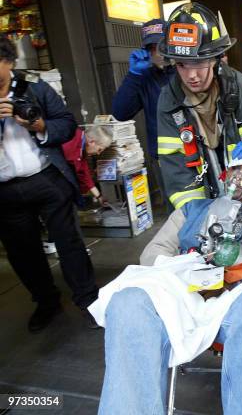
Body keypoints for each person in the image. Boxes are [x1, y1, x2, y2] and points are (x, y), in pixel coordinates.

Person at [95, 151, 242, 415]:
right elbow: (153, 254)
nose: (239, 177)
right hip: (181, 296)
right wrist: (185, 271)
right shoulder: (192, 211)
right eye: (236, 169)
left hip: (240, 301)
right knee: (127, 302)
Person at [0, 35, 99, 332]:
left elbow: (66, 124)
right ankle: (46, 302)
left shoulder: (34, 86)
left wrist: (38, 125)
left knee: (69, 243)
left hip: (46, 178)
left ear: (8, 61)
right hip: (5, 190)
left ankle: (89, 300)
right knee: (23, 253)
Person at [155, 2, 242, 210]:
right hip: (200, 203)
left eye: (198, 63)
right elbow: (178, 176)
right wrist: (197, 222)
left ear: (215, 59)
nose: (191, 75)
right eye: (181, 65)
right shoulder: (168, 102)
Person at [112, 19, 174, 207]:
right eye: (152, 47)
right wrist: (133, 76)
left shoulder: (185, 69)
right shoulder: (144, 77)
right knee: (176, 212)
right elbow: (120, 112)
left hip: (195, 152)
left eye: (162, 45)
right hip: (162, 157)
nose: (158, 51)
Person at [61, 125, 112, 202]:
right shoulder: (70, 142)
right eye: (99, 150)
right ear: (92, 142)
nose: (98, 153)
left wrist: (99, 197)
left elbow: (84, 173)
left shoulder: (81, 148)